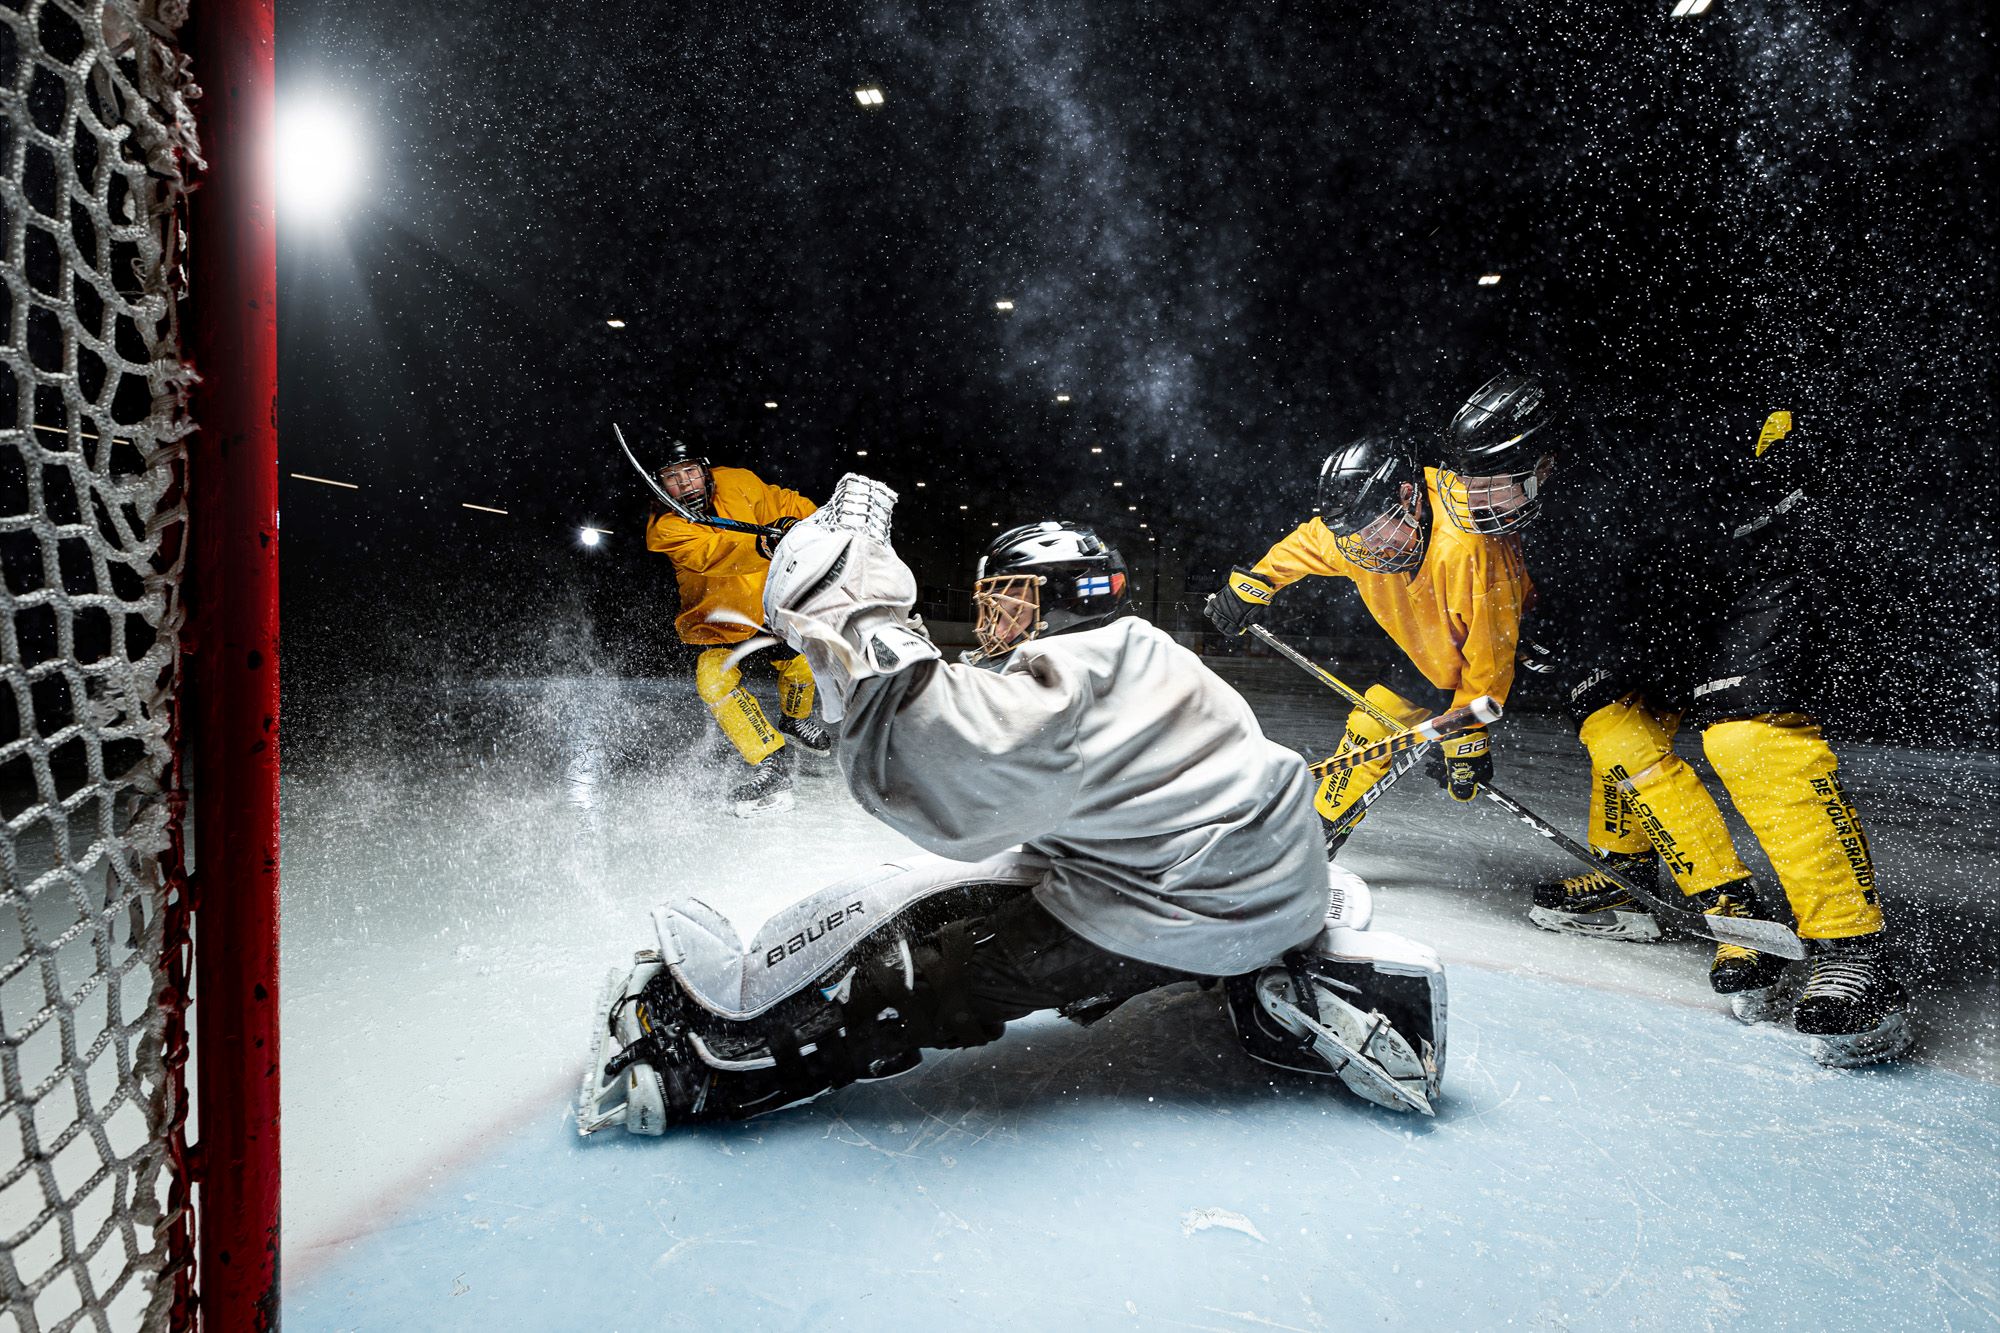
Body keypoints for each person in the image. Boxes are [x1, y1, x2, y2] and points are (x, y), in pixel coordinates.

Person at [579, 478, 1447, 1134]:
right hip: (1266, 886)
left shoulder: (1074, 678)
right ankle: (1249, 967)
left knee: (934, 973)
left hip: (1183, 907)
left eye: (1010, 599)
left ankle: (715, 1071)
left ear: (1059, 597)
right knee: (960, 895)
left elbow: (949, 777)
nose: (993, 620)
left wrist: (857, 610)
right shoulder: (1141, 651)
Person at [1462, 371, 1912, 1067]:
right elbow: (1595, 587)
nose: (1478, 501)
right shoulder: (1543, 512)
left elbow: (1751, 479)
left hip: (1749, 580)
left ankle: (1852, 947)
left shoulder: (1644, 455)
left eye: (1494, 482)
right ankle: (1657, 885)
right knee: (1612, 723)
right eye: (1472, 483)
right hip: (1661, 600)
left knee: (1747, 741)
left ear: (1545, 461)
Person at [1205, 429, 1533, 858]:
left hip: (1511, 653)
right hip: (1429, 653)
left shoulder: (1468, 547)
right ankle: (1317, 833)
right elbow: (1309, 542)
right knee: (1368, 727)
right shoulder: (1362, 528)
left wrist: (1466, 730)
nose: (1367, 548)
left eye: (1375, 531)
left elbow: (1492, 649)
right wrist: (1255, 583)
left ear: (1409, 497)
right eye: (1355, 536)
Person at [643, 436, 828, 815]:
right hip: (719, 619)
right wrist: (763, 544)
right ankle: (770, 761)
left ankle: (795, 720)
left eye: (690, 472)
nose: (685, 484)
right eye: (672, 478)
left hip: (767, 606)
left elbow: (783, 502)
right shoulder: (665, 529)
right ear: (659, 485)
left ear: (704, 469)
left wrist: (814, 521)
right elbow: (715, 554)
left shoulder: (738, 481)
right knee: (713, 681)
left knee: (805, 659)